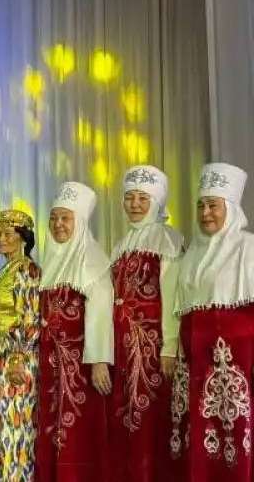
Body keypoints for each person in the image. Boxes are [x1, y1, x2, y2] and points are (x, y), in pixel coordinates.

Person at [167, 163, 254, 478]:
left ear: (229, 208)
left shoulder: (249, 247)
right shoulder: (191, 255)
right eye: (201, 206)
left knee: (238, 432)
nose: (205, 213)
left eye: (213, 206)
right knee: (199, 436)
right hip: (195, 363)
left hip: (239, 365)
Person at [106, 165, 183, 482]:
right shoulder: (122, 242)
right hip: (122, 350)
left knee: (150, 418)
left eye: (142, 198)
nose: (135, 204)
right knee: (124, 419)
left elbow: (173, 294)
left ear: (156, 202)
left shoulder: (167, 238)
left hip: (152, 348)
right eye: (129, 198)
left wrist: (170, 345)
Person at [35, 182, 114, 482]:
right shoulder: (50, 263)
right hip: (49, 363)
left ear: (79, 223)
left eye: (65, 218)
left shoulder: (93, 261)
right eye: (54, 218)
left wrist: (98, 360)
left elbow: (100, 313)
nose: (58, 225)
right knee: (50, 427)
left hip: (81, 367)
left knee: (77, 432)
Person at [0, 209, 41, 482]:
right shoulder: (7, 269)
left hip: (15, 356)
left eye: (7, 233)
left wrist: (19, 358)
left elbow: (31, 316)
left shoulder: (28, 269)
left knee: (15, 426)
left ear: (22, 237)